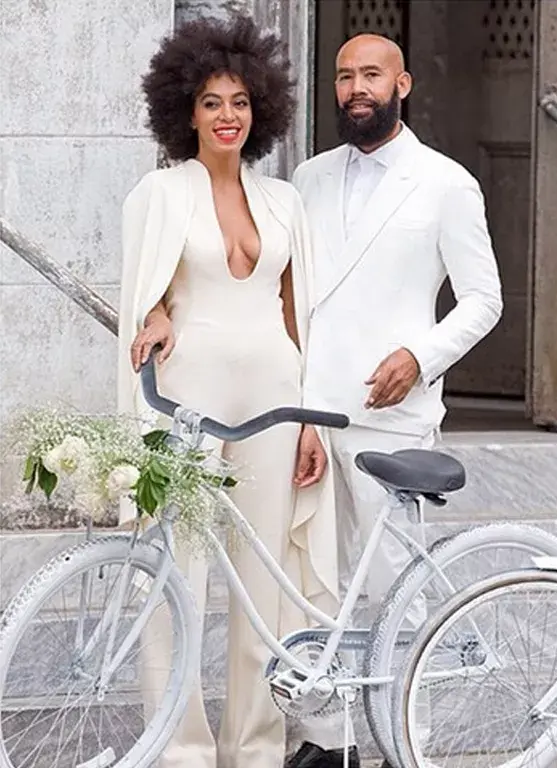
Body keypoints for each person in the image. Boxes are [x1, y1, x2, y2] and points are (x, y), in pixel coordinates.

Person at [117, 15, 340, 768]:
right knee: (178, 569)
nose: (226, 116)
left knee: (263, 580)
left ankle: (254, 745)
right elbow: (144, 288)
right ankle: (178, 748)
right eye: (211, 101)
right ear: (185, 110)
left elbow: (296, 312)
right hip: (191, 392)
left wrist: (312, 421)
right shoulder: (161, 192)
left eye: (239, 101)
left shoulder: (281, 201)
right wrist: (153, 311)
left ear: (261, 109)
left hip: (276, 391)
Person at [288, 33, 503, 768]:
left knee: (394, 587)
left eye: (371, 74)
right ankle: (328, 739)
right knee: (318, 584)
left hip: (395, 417)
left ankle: (408, 741)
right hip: (313, 413)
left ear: (402, 83)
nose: (356, 87)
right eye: (345, 75)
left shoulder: (446, 183)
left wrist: (420, 357)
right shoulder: (308, 178)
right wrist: (298, 403)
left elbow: (483, 300)